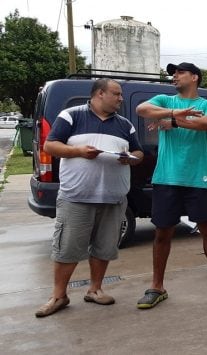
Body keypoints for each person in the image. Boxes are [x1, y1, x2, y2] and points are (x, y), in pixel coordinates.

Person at [35, 78, 144, 317]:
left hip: (113, 197)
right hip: (77, 196)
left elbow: (139, 152)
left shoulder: (125, 125)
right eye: (116, 94)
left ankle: (95, 290)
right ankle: (59, 296)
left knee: (104, 248)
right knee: (67, 248)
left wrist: (130, 157)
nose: (120, 98)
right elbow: (51, 146)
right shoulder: (71, 116)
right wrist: (78, 152)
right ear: (100, 94)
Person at [135, 62, 207, 309]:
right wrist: (175, 114)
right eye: (173, 73)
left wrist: (173, 123)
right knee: (162, 233)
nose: (174, 76)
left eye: (180, 72)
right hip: (166, 177)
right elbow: (142, 109)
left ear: (195, 77)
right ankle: (157, 286)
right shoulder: (166, 101)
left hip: (198, 179)